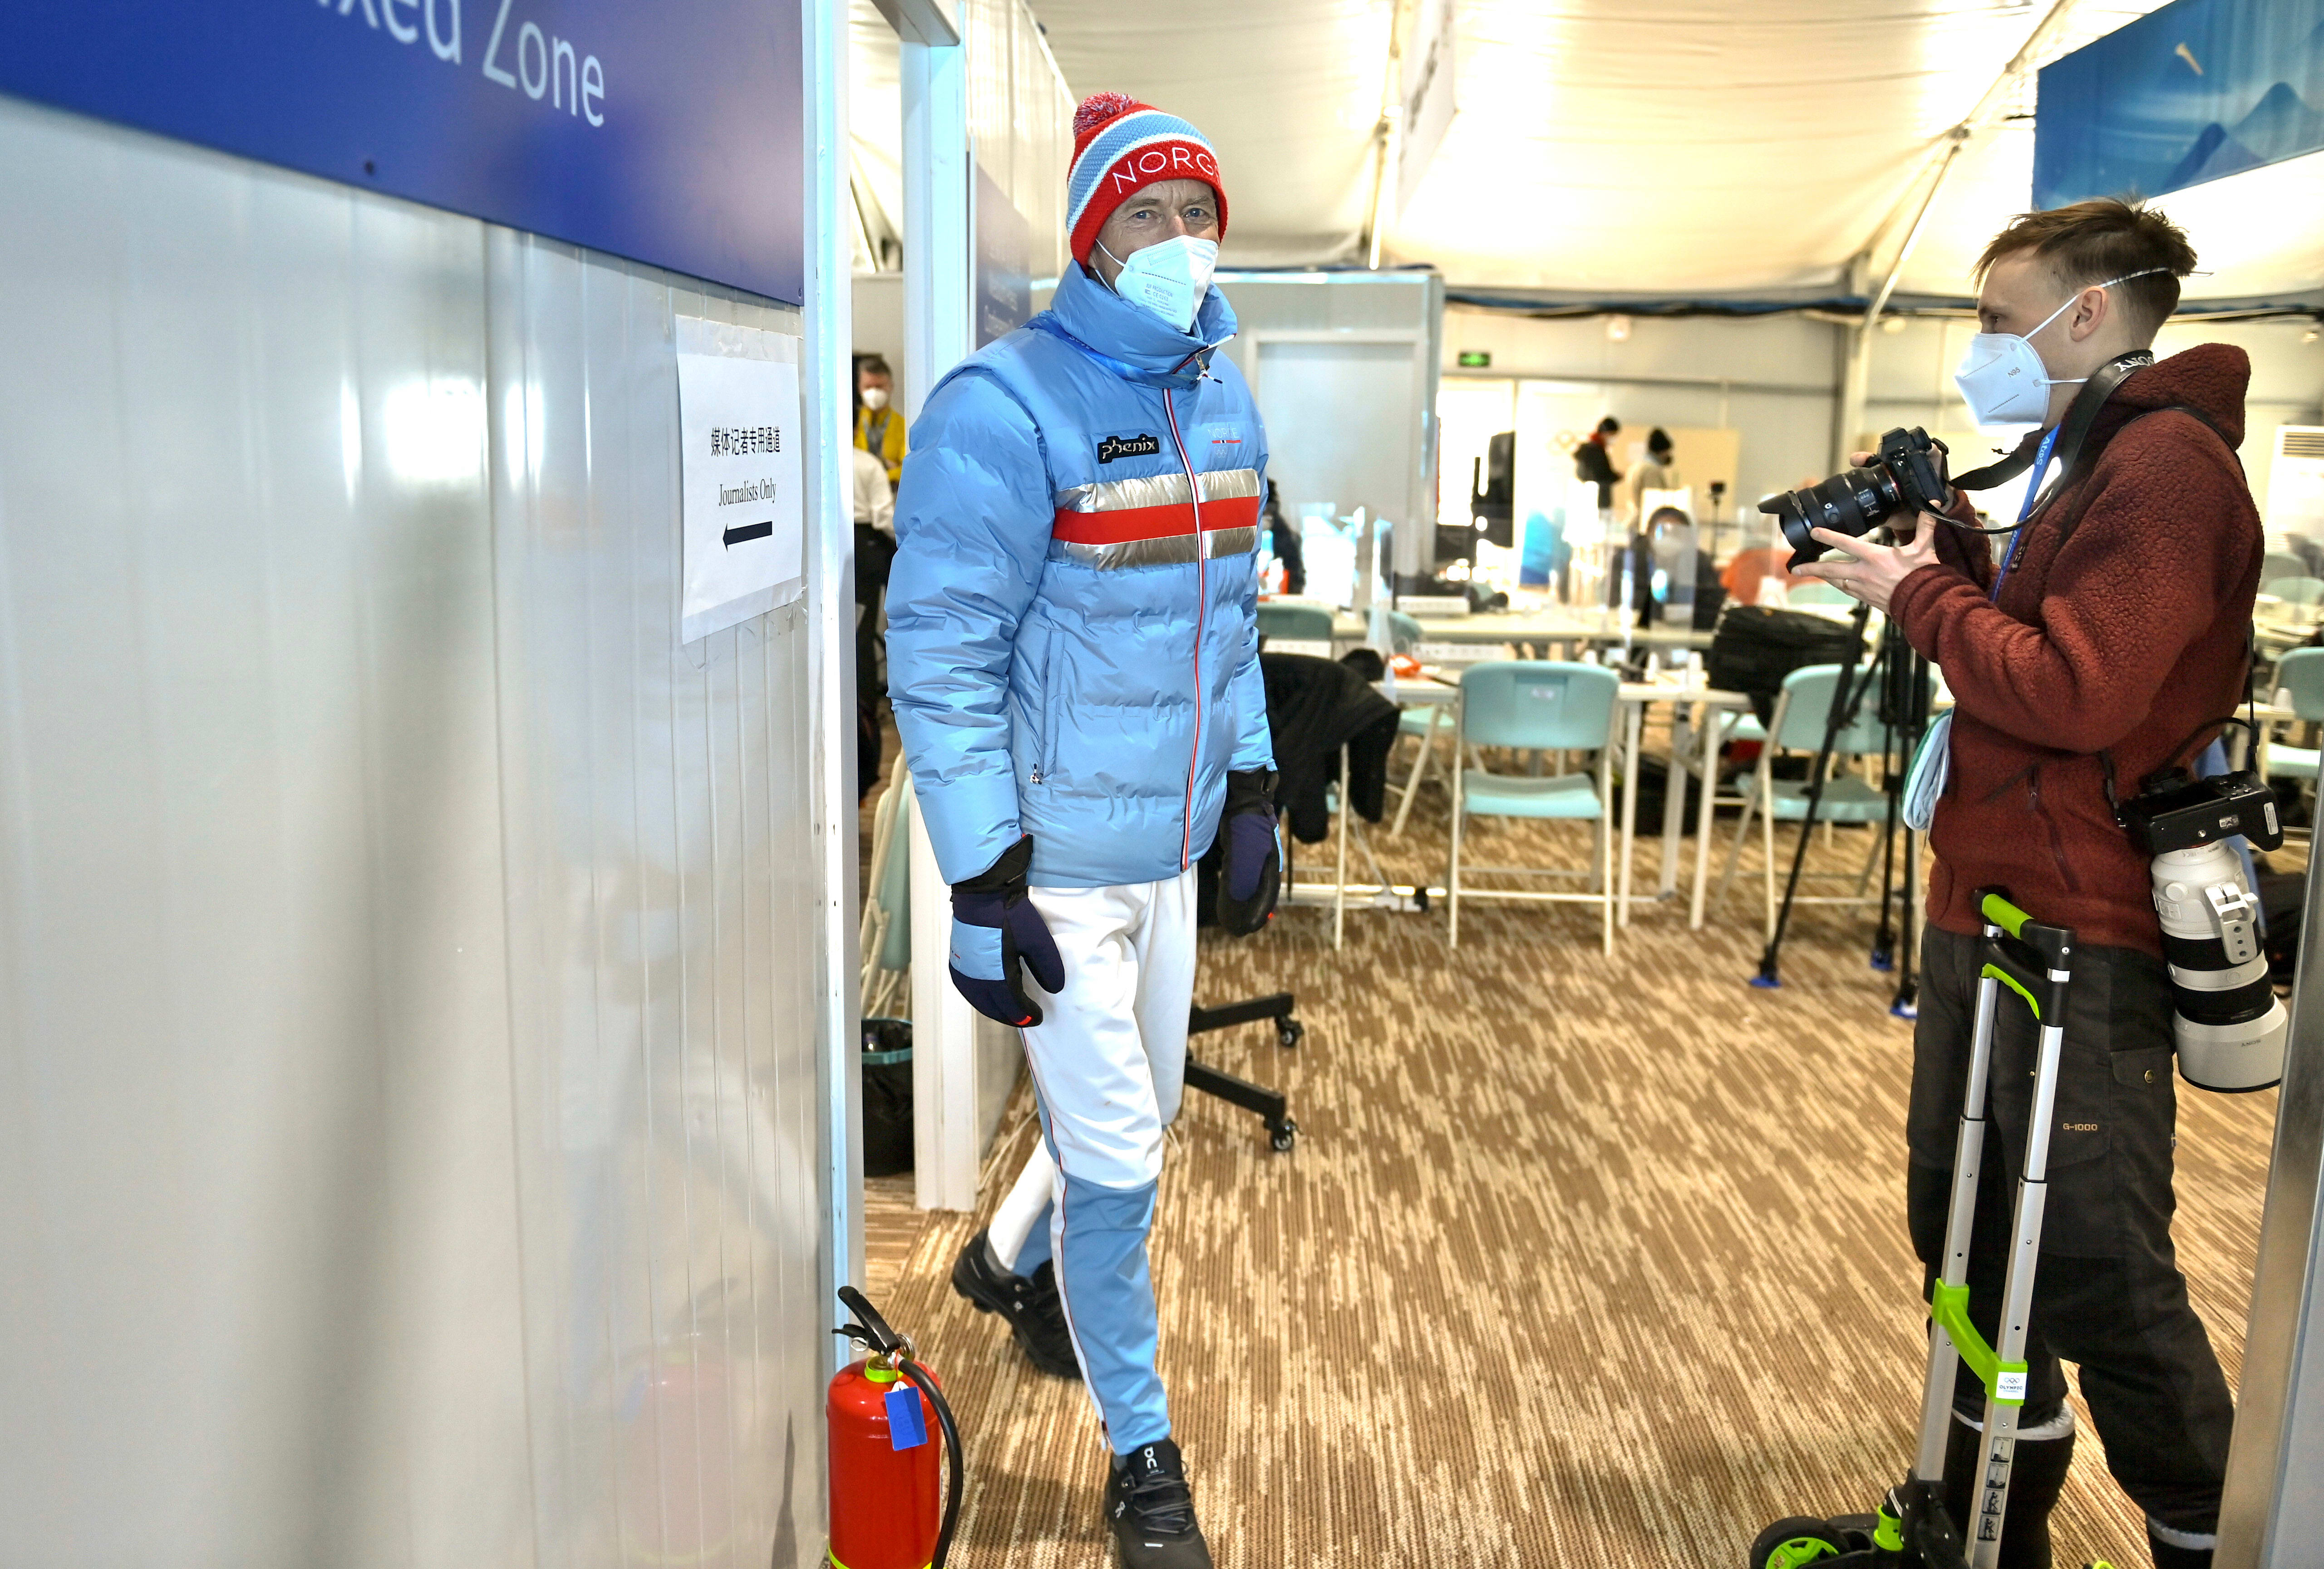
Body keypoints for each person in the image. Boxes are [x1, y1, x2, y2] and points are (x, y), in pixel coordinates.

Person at [1795, 198, 2255, 1569]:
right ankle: (1978, 1522)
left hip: (2081, 927)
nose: (1980, 344)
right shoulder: (2081, 455)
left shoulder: (2166, 469)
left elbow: (2076, 689)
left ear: (2086, 312)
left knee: (2097, 1273)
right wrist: (1943, 555)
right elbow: (2034, 629)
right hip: (1986, 904)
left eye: (1999, 318)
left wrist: (1918, 599)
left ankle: (2210, 1535)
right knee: (1966, 1242)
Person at [886, 90, 1280, 1569]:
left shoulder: (1221, 396)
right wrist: (982, 873)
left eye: (1198, 214)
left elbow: (1230, 623)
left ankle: (1003, 1259)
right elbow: (940, 651)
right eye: (1148, 214)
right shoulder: (1000, 406)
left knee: (1144, 1111)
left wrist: (1252, 781)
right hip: (1051, 866)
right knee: (1119, 1162)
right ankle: (1143, 1456)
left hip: (1166, 852)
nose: (1180, 238)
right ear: (1092, 235)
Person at [855, 353, 906, 488]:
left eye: (879, 387)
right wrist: (888, 467)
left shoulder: (904, 426)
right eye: (868, 387)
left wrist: (876, 479)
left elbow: (907, 470)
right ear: (859, 387)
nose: (874, 392)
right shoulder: (851, 424)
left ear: (891, 386)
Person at [1619, 425, 1679, 529]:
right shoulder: (1651, 470)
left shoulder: (1637, 465)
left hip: (1634, 520)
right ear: (1663, 451)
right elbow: (1655, 502)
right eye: (1668, 452)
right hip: (1644, 524)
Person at [1574, 415, 1622, 511]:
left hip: (1589, 500)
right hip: (1596, 502)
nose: (1613, 439)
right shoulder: (1596, 450)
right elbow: (1602, 475)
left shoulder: (1588, 449)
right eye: (1613, 435)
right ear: (1606, 433)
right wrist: (1616, 476)